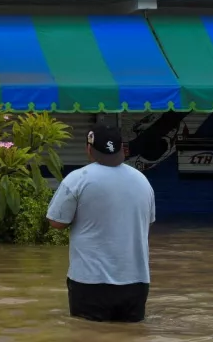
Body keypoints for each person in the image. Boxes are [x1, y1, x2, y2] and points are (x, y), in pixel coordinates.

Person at [46, 124, 156, 323]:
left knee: (89, 335)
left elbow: (56, 222)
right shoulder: (143, 181)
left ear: (89, 149)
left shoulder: (77, 179)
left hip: (90, 282)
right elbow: (147, 223)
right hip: (136, 282)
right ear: (123, 149)